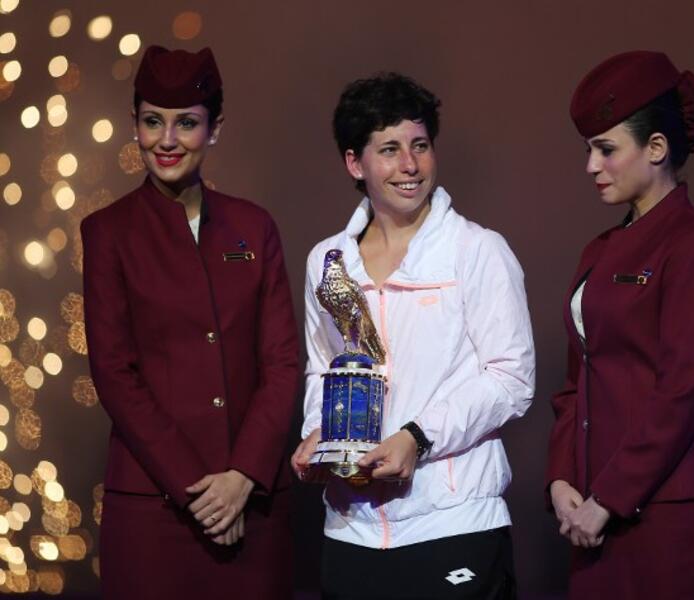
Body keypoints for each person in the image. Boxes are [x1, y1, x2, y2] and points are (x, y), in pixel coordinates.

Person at [291, 73, 534, 599]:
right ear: (355, 163)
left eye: (420, 146)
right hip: (351, 527)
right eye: (390, 149)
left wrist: (417, 438)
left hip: (452, 522)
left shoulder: (477, 250)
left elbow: (511, 379)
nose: (410, 165)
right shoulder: (328, 262)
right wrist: (319, 435)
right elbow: (322, 369)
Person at [81, 46, 298, 599]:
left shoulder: (254, 226)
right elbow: (114, 374)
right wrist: (203, 493)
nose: (168, 140)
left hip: (254, 505)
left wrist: (244, 476)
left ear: (215, 128)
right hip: (154, 509)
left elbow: (282, 364)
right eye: (152, 121)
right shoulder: (107, 233)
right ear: (135, 126)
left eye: (187, 123)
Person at [545, 51, 694, 599]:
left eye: (606, 150)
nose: (591, 166)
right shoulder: (599, 250)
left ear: (656, 149)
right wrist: (561, 481)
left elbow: (682, 391)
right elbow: (575, 385)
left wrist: (608, 498)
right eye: (589, 150)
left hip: (667, 510)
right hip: (589, 512)